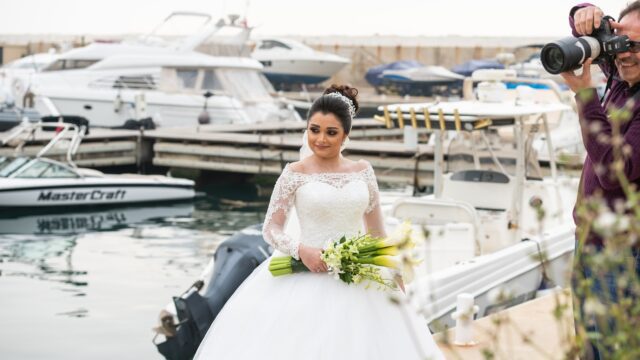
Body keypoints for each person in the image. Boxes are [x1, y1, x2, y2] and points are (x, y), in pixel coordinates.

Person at [193, 85, 444, 359]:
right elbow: (271, 229)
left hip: (360, 279)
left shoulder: (363, 172)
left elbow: (377, 232)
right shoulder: (294, 174)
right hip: (305, 275)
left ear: (345, 135)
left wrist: (394, 273)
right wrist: (303, 251)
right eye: (314, 130)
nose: (320, 139)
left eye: (331, 132)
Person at [561, 2, 640, 359]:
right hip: (591, 242)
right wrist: (586, 13)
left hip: (622, 253)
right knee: (590, 350)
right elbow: (586, 33)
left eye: (636, 45)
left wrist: (585, 95)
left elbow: (612, 170)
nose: (625, 53)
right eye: (622, 41)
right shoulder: (626, 75)